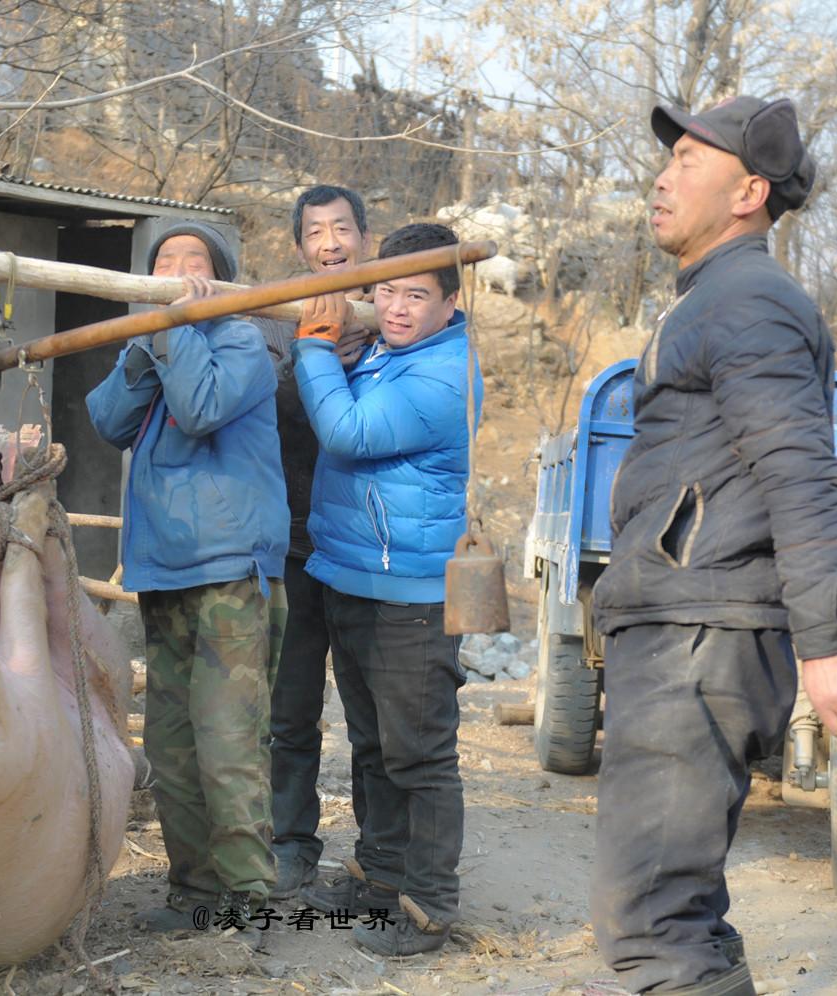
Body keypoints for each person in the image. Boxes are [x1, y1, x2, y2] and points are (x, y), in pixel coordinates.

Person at [587, 96, 837, 996]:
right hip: (688, 621)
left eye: (688, 159)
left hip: (701, 627)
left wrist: (826, 645)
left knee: (651, 920)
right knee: (683, 910)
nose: (661, 175)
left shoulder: (749, 300)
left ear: (750, 190)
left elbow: (802, 474)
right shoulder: (712, 298)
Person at [86, 222, 289, 943]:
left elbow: (202, 407)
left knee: (229, 739)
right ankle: (193, 891)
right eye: (163, 260)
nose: (174, 268)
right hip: (164, 570)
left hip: (231, 566)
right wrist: (147, 342)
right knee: (171, 744)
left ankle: (250, 902)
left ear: (220, 278)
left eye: (191, 260)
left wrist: (180, 328)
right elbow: (106, 419)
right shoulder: (157, 339)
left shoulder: (246, 342)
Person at [292, 222, 481, 957]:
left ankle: (429, 903)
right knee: (373, 747)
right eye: (387, 292)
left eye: (416, 295)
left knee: (420, 755)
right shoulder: (383, 353)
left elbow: (348, 434)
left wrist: (312, 346)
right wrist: (335, 349)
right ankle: (380, 876)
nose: (397, 309)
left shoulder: (445, 373)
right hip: (353, 576)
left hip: (411, 593)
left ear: (450, 301)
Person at [253, 185, 375, 902]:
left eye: (342, 229)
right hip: (295, 544)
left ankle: (376, 855)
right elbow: (266, 412)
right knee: (290, 711)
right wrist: (315, 352)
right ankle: (290, 843)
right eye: (316, 232)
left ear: (365, 236)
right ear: (299, 247)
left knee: (372, 718)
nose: (330, 242)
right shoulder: (275, 318)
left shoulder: (395, 317)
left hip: (365, 549)